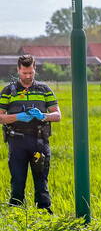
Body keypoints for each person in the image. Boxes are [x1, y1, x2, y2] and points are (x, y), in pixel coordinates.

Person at [0, 55, 61, 213]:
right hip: (17, 141)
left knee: (41, 180)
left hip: (39, 141)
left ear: (35, 70)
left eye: (31, 73)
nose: (27, 76)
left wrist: (43, 116)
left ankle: (44, 215)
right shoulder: (8, 91)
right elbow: (0, 117)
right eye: (24, 73)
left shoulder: (44, 90)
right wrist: (17, 117)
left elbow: (57, 115)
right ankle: (16, 216)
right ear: (18, 70)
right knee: (18, 181)